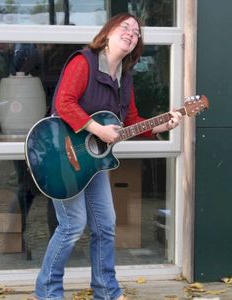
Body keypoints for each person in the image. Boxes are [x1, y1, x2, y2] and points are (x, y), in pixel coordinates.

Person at [32, 12, 182, 300]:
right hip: (60, 156)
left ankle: (106, 291)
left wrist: (163, 123)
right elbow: (64, 102)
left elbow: (132, 120)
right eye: (124, 27)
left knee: (105, 224)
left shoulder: (124, 77)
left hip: (93, 163)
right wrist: (99, 130)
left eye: (136, 32)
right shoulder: (84, 61)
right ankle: (47, 292)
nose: (130, 33)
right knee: (73, 224)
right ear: (109, 31)